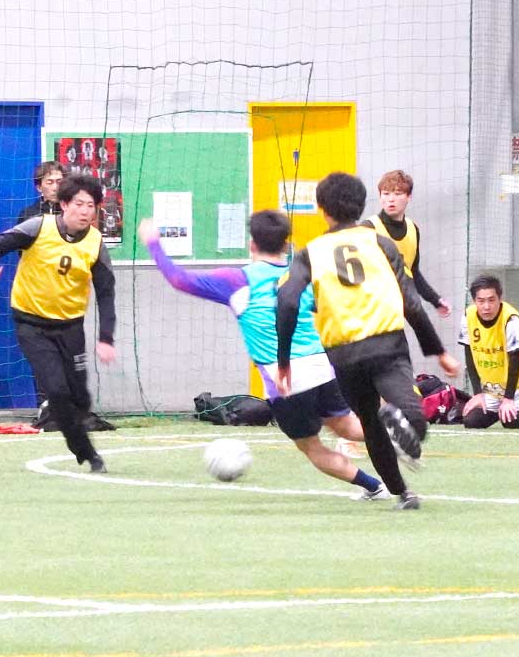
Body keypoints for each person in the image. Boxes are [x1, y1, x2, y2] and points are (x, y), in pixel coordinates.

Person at [139, 213, 389, 501]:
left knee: (312, 447)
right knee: (347, 426)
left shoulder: (237, 280)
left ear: (252, 245)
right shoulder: (301, 275)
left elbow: (178, 279)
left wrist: (154, 243)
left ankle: (374, 487)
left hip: (285, 378)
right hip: (321, 365)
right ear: (286, 245)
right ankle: (397, 429)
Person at [273, 173, 458, 511]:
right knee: (414, 418)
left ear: (322, 209)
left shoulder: (310, 253)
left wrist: (283, 360)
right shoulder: (381, 244)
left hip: (343, 353)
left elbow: (286, 301)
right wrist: (439, 351)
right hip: (387, 344)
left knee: (370, 424)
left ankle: (403, 493)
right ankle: (398, 418)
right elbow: (411, 302)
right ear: (361, 206)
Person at [0, 174, 116, 472]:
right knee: (57, 390)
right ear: (64, 204)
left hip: (71, 327)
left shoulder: (95, 243)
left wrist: (106, 338)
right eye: (79, 204)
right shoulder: (38, 227)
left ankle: (79, 434)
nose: (85, 211)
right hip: (32, 324)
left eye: (90, 206)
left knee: (81, 398)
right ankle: (87, 453)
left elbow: (106, 293)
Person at [457, 275, 519, 429]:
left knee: (512, 421)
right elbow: (469, 354)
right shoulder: (468, 316)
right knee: (471, 421)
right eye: (481, 301)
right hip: (494, 390)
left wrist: (509, 399)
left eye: (491, 300)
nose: (486, 306)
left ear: (500, 299)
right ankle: (499, 408)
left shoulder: (511, 319)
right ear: (474, 301)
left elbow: (515, 359)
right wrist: (477, 394)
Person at [369, 171, 451, 319]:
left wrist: (435, 300)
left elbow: (412, 273)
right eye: (386, 194)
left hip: (399, 307)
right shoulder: (369, 228)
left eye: (397, 193)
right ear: (380, 196)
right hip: (372, 310)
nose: (391, 199)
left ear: (409, 197)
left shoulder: (413, 229)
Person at [16, 160, 64, 225]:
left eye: (59, 182)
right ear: (39, 187)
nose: (55, 188)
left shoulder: (71, 211)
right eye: (49, 182)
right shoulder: (28, 214)